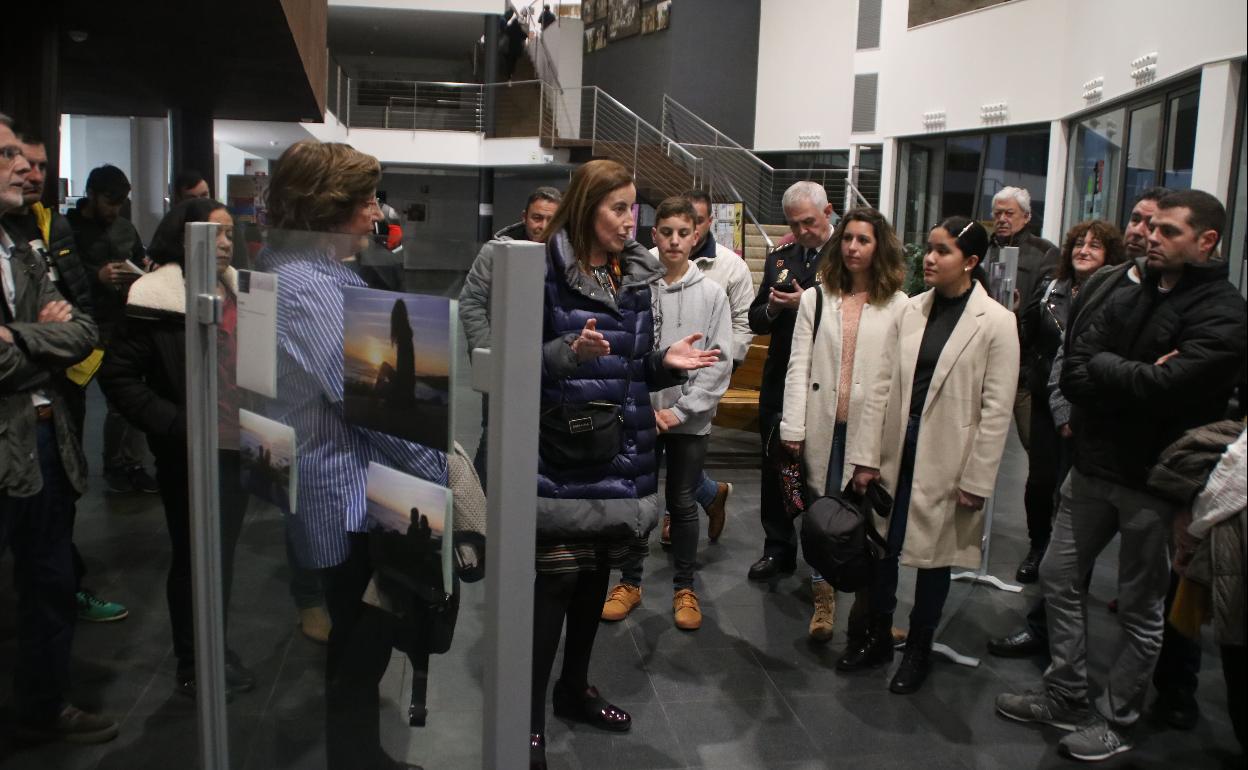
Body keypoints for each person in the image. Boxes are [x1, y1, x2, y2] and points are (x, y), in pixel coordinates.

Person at [997, 189, 1248, 762]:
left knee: (1141, 609)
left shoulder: (1224, 312)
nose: (1151, 238)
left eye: (1168, 231)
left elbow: (1169, 388)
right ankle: (1065, 692)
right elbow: (1080, 366)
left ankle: (1119, 716)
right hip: (1092, 466)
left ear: (1206, 241)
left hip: (1155, 484)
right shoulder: (1128, 287)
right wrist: (1132, 375)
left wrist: (1118, 375)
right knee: (1058, 581)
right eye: (1150, 227)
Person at [257, 140, 446, 770]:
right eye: (365, 200)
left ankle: (363, 756)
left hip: (353, 487)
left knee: (365, 644)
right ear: (328, 208)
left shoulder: (313, 272)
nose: (375, 212)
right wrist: (439, 474)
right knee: (361, 647)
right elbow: (368, 401)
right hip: (346, 497)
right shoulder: (306, 284)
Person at [530, 160, 719, 769]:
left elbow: (635, 365)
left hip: (618, 448)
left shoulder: (633, 275)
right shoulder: (542, 271)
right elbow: (509, 360)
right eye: (618, 207)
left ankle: (573, 689)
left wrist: (668, 362)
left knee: (593, 579)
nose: (630, 220)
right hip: (561, 451)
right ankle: (527, 714)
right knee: (557, 581)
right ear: (587, 208)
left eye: (633, 208)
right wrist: (565, 351)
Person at [987, 187, 1171, 660]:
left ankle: (1158, 693)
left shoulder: (1190, 300)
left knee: (1143, 596)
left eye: (1156, 225)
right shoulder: (1102, 285)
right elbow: (1072, 358)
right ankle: (1056, 658)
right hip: (1075, 425)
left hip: (1146, 457)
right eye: (1136, 219)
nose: (1142, 231)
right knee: (1061, 556)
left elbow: (1177, 382)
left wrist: (1111, 372)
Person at [846, 217, 1018, 694]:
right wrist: (865, 456)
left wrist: (978, 479)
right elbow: (882, 385)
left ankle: (919, 647)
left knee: (934, 557)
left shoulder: (998, 323)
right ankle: (878, 635)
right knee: (882, 547)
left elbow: (996, 409)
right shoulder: (913, 310)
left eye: (943, 251)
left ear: (972, 262)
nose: (930, 258)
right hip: (897, 447)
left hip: (948, 455)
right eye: (930, 249)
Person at [98, 198, 256, 699]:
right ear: (184, 237)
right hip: (187, 451)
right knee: (194, 556)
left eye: (231, 233)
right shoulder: (156, 295)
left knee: (222, 555)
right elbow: (120, 377)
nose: (226, 242)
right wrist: (178, 424)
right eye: (216, 233)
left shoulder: (237, 291)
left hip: (237, 445)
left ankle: (214, 646)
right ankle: (193, 661)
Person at [0, 113, 117, 744]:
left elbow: (81, 331)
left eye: (26, 156)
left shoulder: (23, 239)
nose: (25, 167)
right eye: (7, 155)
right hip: (8, 435)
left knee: (50, 582)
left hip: (45, 435)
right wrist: (43, 342)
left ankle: (44, 706)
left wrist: (20, 335)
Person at [600, 196, 732, 630]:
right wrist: (640, 405)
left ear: (697, 237)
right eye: (666, 232)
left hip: (689, 422)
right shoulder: (637, 286)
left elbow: (719, 360)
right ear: (653, 235)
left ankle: (684, 587)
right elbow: (628, 351)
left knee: (682, 501)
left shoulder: (712, 294)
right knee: (639, 500)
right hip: (641, 415)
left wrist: (680, 412)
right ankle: (631, 582)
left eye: (684, 233)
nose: (675, 241)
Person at [779, 207, 907, 643]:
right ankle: (824, 600)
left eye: (864, 240)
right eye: (848, 238)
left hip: (869, 433)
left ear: (879, 247)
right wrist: (792, 426)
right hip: (822, 424)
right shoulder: (818, 297)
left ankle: (872, 610)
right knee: (822, 517)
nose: (853, 247)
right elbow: (799, 366)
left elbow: (898, 381)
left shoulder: (898, 305)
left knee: (869, 524)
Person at [1014, 220, 1125, 583]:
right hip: (1044, 399)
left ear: (1110, 254)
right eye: (1079, 243)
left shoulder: (1117, 297)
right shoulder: (1051, 289)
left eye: (1095, 245)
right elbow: (1028, 333)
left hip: (1086, 408)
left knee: (1072, 489)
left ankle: (1072, 566)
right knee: (1040, 480)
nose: (1084, 250)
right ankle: (1038, 546)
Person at [746, 180, 835, 581]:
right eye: (794, 225)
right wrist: (778, 309)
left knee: (819, 471)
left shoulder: (847, 255)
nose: (801, 232)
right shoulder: (781, 256)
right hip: (781, 376)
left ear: (828, 212)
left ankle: (824, 556)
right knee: (774, 465)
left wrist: (808, 304)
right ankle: (778, 547)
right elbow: (755, 316)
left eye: (808, 223)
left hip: (826, 378)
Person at [660, 189, 754, 544]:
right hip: (658, 390)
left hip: (703, 383)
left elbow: (742, 323)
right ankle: (712, 494)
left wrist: (723, 367)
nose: (682, 235)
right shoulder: (649, 264)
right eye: (672, 228)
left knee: (682, 479)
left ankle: (679, 522)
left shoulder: (731, 266)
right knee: (671, 473)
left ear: (705, 225)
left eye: (694, 223)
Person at [460, 185, 561, 484]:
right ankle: (477, 516)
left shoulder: (567, 256)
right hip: (505, 369)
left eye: (550, 219)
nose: (542, 226)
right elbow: (471, 302)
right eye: (536, 217)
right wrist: (492, 354)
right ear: (524, 217)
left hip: (551, 368)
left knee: (547, 441)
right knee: (495, 441)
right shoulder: (495, 252)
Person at [66, 163, 157, 495]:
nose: (114, 209)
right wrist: (96, 277)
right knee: (74, 405)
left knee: (126, 402)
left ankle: (124, 465)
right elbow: (60, 277)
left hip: (121, 325)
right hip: (82, 328)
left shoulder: (124, 228)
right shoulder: (67, 229)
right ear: (91, 194)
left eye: (120, 203)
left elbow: (139, 258)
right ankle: (73, 472)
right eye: (109, 201)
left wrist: (144, 271)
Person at [983, 186, 1059, 453]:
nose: (1002, 219)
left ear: (1026, 217)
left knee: (1036, 446)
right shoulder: (983, 250)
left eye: (1009, 213)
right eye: (997, 213)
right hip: (982, 359)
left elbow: (1046, 309)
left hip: (1024, 365)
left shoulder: (1044, 253)